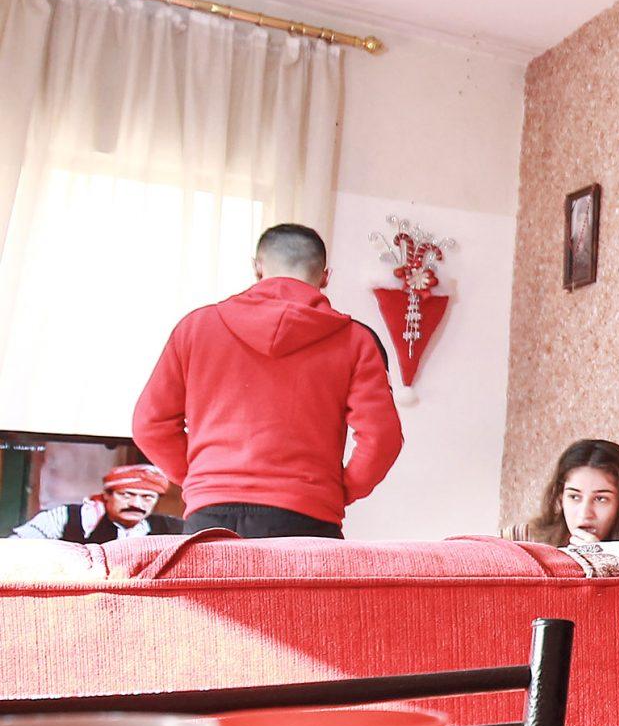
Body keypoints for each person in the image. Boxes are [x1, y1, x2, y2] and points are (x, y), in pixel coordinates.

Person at [132, 223, 404, 539]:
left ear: (257, 268)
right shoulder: (355, 341)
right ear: (325, 277)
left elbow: (149, 425)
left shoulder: (196, 328)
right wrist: (336, 492)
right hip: (308, 515)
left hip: (210, 513)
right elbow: (382, 438)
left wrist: (200, 477)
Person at [525, 439, 619, 547]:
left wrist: (602, 566)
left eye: (601, 499)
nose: (585, 513)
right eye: (574, 497)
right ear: (560, 497)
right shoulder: (529, 539)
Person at [8, 463, 178, 543]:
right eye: (126, 495)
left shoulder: (169, 527)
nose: (136, 504)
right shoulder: (65, 517)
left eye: (147, 498)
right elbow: (15, 548)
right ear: (107, 495)